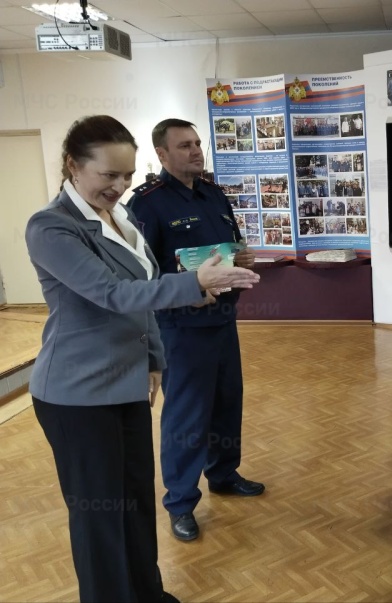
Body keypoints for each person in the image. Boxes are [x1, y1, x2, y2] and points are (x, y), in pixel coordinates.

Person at [25, 115, 259, 601]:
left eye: (127, 175)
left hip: (127, 381)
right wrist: (196, 283)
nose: (119, 186)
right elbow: (113, 292)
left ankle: (147, 593)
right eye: (108, 175)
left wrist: (154, 357)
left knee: (133, 503)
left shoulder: (121, 217)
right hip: (76, 394)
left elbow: (146, 294)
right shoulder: (51, 227)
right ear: (73, 166)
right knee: (99, 517)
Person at [129, 118, 264, 543]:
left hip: (222, 320)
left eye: (197, 143)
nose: (195, 150)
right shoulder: (147, 205)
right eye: (184, 145)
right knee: (187, 418)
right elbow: (142, 274)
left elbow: (232, 248)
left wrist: (242, 262)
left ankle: (224, 474)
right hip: (181, 328)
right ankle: (181, 502)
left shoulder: (214, 193)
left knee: (226, 404)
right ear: (163, 155)